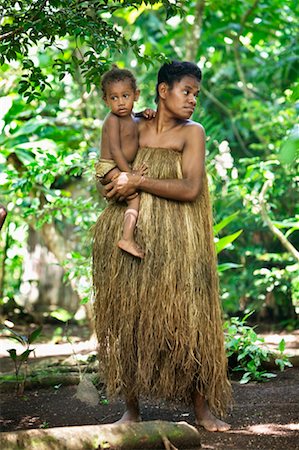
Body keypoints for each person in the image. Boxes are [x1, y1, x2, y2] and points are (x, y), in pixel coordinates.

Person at [93, 60, 232, 432]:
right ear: (162, 90)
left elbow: (189, 189)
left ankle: (201, 409)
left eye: (196, 95)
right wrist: (113, 184)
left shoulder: (192, 133)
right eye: (186, 91)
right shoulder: (131, 125)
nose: (192, 101)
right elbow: (108, 171)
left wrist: (136, 182)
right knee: (129, 320)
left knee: (191, 321)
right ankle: (131, 409)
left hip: (181, 245)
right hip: (128, 240)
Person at [95, 66, 154, 258]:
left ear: (136, 95)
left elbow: (135, 118)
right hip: (109, 166)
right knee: (134, 197)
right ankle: (127, 238)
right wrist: (130, 174)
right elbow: (116, 151)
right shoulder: (112, 120)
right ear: (106, 101)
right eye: (114, 98)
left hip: (117, 167)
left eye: (125, 96)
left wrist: (145, 113)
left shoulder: (131, 116)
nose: (120, 102)